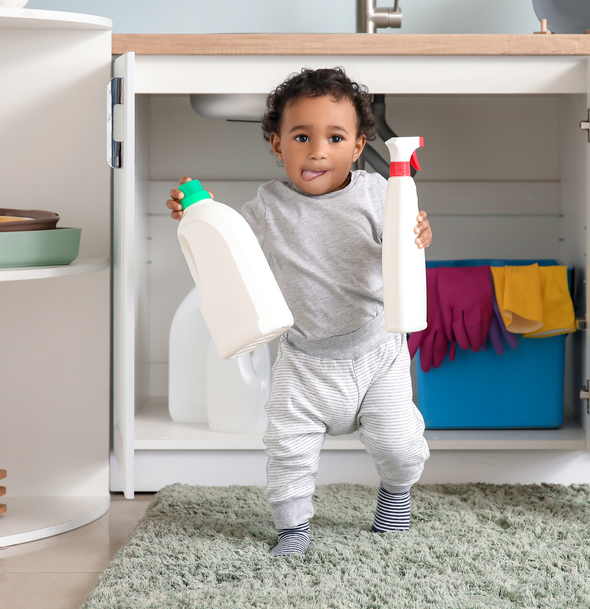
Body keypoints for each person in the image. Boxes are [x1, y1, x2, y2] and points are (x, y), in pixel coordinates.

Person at [167, 67, 432, 557]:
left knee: (400, 445)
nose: (317, 151)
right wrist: (197, 211)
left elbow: (405, 249)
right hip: (304, 360)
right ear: (276, 144)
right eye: (302, 136)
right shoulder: (267, 208)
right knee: (287, 451)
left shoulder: (379, 193)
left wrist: (419, 236)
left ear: (356, 148)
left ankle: (395, 495)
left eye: (334, 137)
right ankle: (293, 529)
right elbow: (229, 246)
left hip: (377, 353)